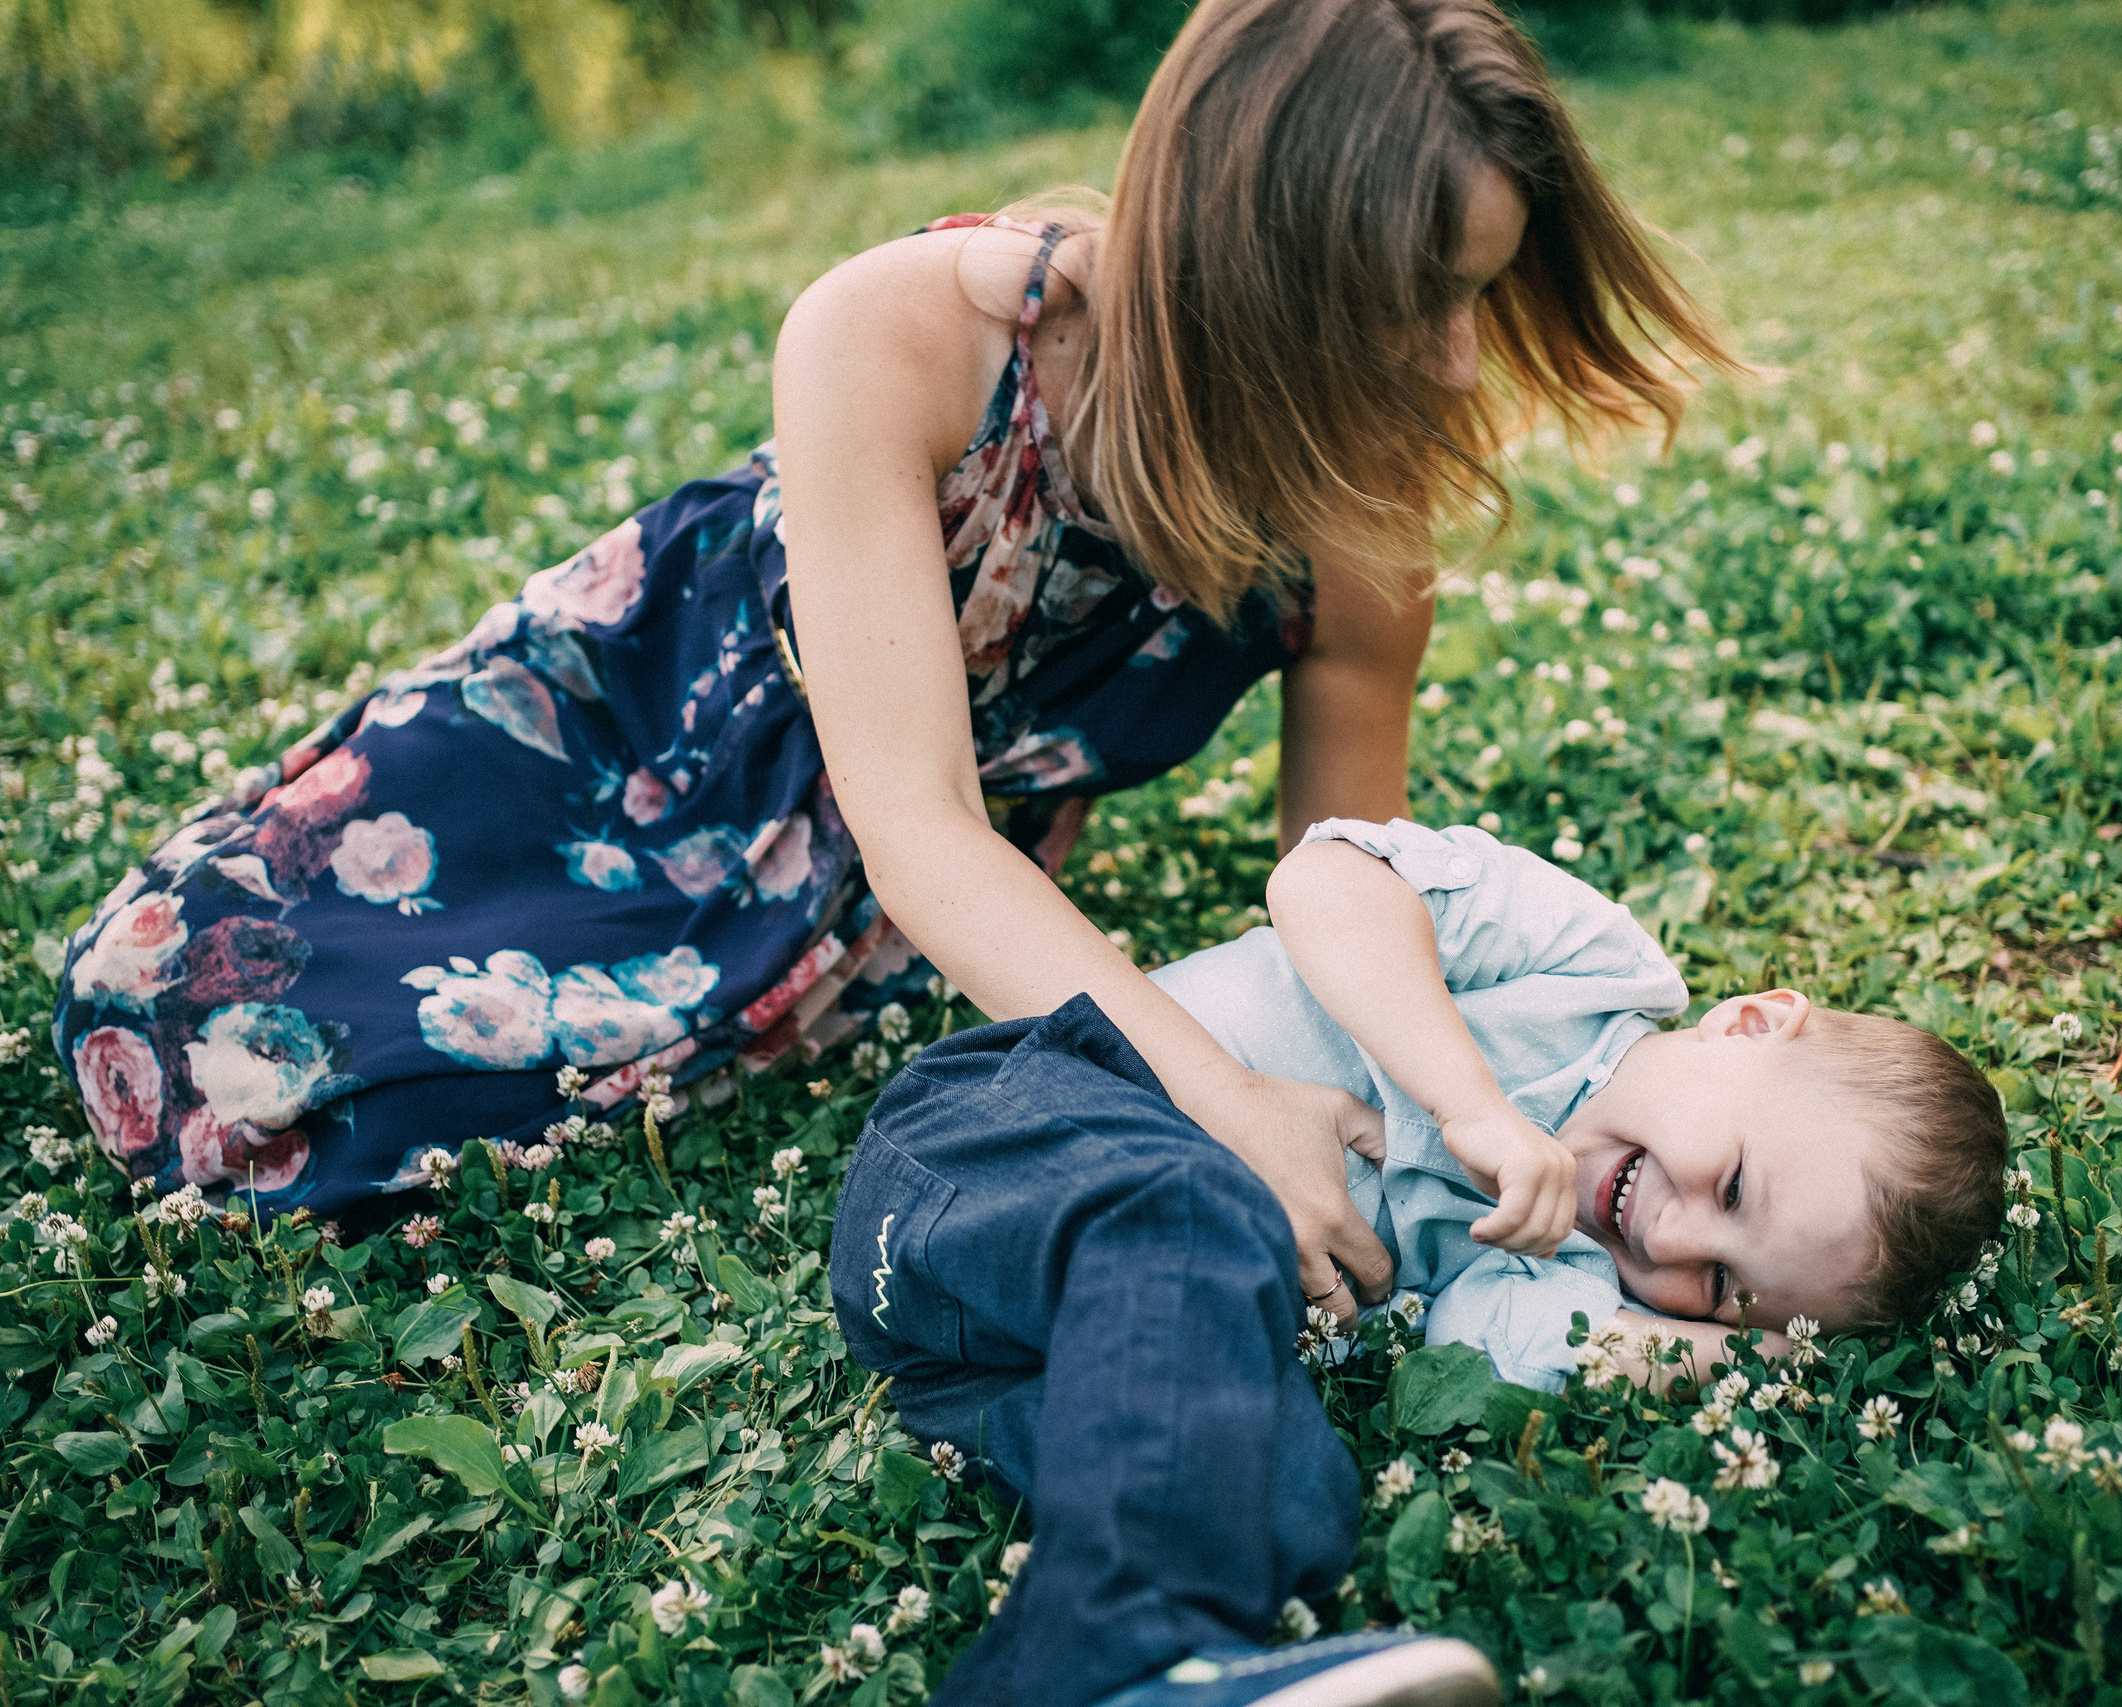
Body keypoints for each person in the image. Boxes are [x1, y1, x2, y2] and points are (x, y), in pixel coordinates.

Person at [50, 0, 1740, 1309]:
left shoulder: (1360, 524)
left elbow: (1339, 892)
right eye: (1412, 297)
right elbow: (921, 810)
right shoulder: (912, 330)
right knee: (170, 991)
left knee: (362, 1115)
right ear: (1257, 265)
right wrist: (1217, 1098)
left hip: (877, 899)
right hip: (644, 725)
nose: (1457, 366)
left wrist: (1432, 1118)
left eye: (1479, 296)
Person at [829, 818, 2010, 1706]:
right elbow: (1326, 883)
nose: (1677, 1237)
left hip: (980, 1362)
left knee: (1294, 1495)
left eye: (1725, 1287)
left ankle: (1144, 1674)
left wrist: (1743, 1358)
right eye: (1737, 1186)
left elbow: (1480, 1346)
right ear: (1749, 1022)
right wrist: (1470, 1103)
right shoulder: (1588, 974)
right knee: (1190, 1217)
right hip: (996, 1140)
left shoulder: (1568, 1272)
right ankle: (1119, 1655)